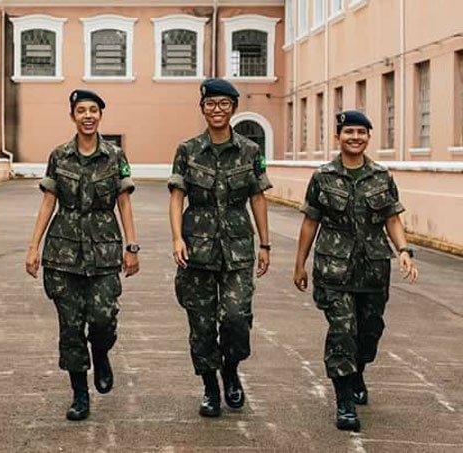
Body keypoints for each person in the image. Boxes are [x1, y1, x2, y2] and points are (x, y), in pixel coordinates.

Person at [293, 110, 418, 432]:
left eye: (361, 132)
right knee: (342, 333)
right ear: (338, 136)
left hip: (373, 270)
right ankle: (345, 401)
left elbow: (392, 218)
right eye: (349, 132)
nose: (355, 138)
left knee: (368, 332)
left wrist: (404, 250)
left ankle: (358, 372)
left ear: (368, 137)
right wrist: (299, 265)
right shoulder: (323, 176)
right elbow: (310, 221)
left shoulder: (381, 176)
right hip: (333, 268)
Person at [25, 89, 140, 421]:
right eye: (81, 110)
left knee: (103, 320)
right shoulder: (59, 156)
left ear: (100, 115)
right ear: (72, 116)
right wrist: (34, 246)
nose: (87, 115)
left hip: (104, 252)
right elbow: (48, 201)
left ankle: (101, 353)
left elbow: (124, 202)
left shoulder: (114, 156)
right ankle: (79, 394)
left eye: (93, 110)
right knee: (71, 327)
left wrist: (132, 246)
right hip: (63, 253)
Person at [168, 79, 272, 417]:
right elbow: (176, 197)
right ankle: (211, 387)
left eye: (224, 104)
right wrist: (176, 238)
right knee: (200, 323)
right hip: (196, 248)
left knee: (235, 317)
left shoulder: (249, 151)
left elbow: (257, 197)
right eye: (211, 103)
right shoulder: (187, 150)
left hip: (238, 247)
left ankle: (231, 369)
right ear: (202, 108)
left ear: (233, 108)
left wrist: (265, 243)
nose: (217, 110)